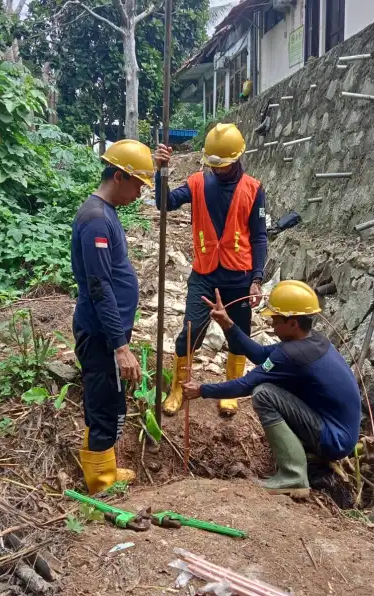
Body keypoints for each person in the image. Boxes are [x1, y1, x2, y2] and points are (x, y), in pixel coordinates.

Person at [182, 280, 362, 497]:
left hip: (334, 440)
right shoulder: (312, 341)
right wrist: (228, 324)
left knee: (264, 394)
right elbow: (260, 355)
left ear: (293, 323)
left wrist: (202, 390)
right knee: (274, 387)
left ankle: (293, 477)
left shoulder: (292, 354)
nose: (272, 325)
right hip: (341, 432)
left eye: (276, 320)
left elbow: (246, 385)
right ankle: (302, 455)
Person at [154, 123, 267, 417]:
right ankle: (178, 387)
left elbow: (259, 236)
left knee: (238, 335)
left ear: (236, 159)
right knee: (190, 331)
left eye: (223, 165)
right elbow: (163, 203)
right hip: (204, 273)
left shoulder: (254, 189)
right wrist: (161, 172)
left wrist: (257, 278)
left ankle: (232, 388)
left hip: (239, 276)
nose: (217, 170)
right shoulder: (197, 182)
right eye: (213, 165)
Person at [71, 139, 154, 495]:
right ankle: (100, 486)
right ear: (119, 177)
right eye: (138, 184)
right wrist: (120, 346)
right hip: (103, 335)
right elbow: (99, 286)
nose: (140, 193)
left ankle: (101, 469)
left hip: (109, 332)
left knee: (106, 400)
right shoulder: (95, 222)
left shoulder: (106, 213)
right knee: (105, 403)